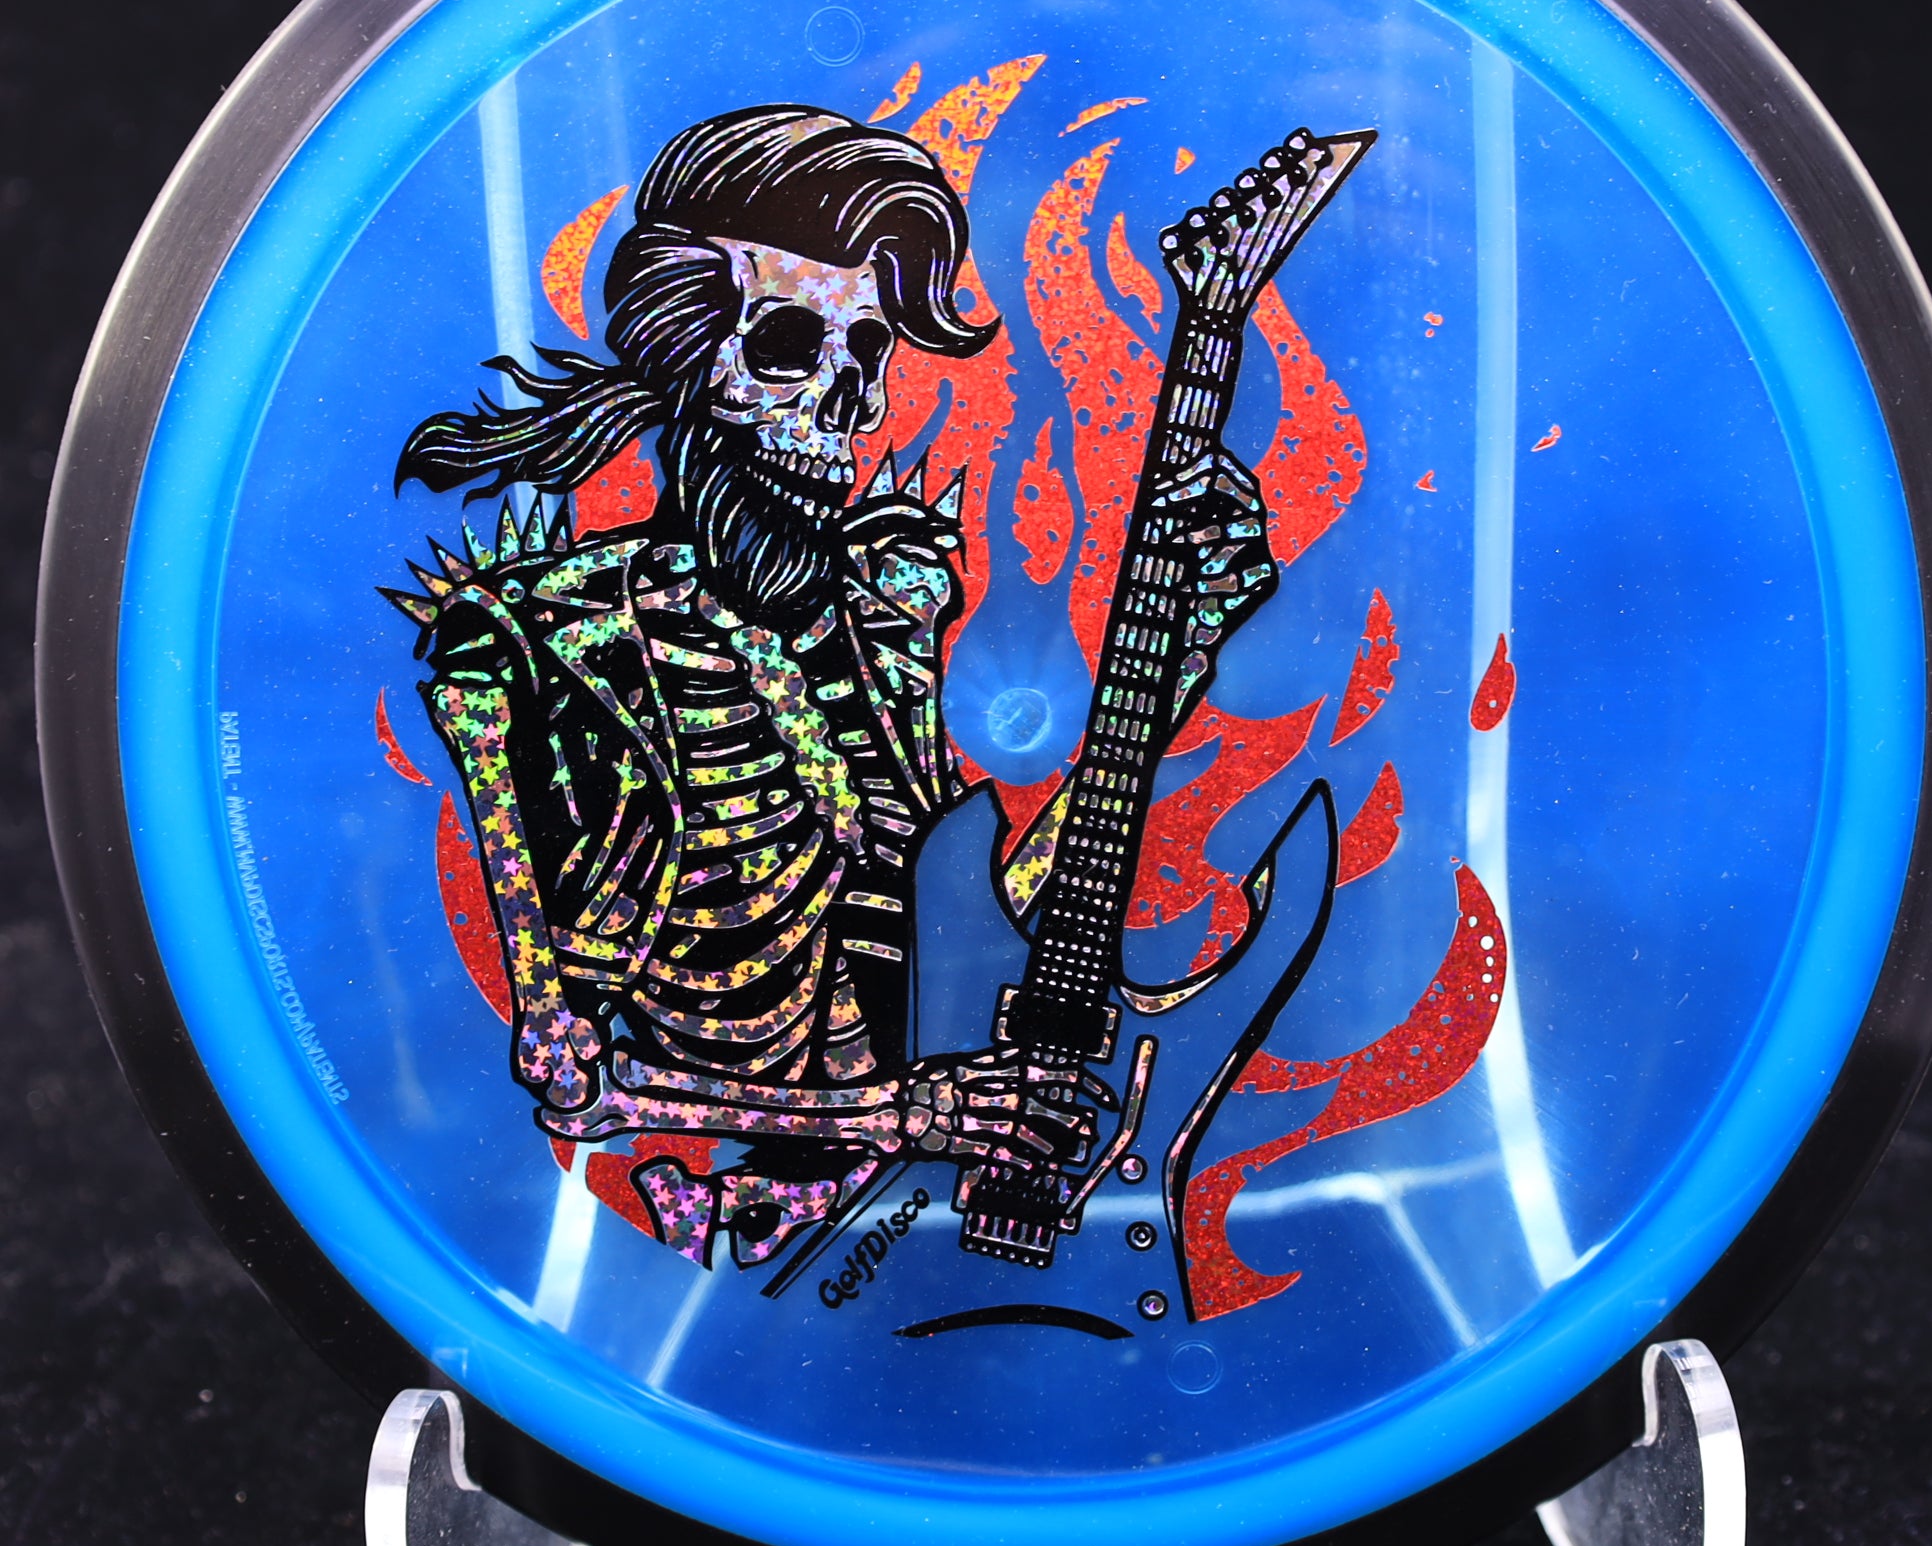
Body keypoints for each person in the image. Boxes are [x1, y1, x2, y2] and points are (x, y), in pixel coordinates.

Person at [387, 104, 1271, 1275]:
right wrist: (902, 1116)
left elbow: (980, 915)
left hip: (922, 1209)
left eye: (871, 356)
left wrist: (1182, 653)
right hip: (735, 1248)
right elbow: (572, 1079)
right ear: (686, 356)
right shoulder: (531, 646)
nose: (849, 405)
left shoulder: (884, 613)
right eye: (791, 347)